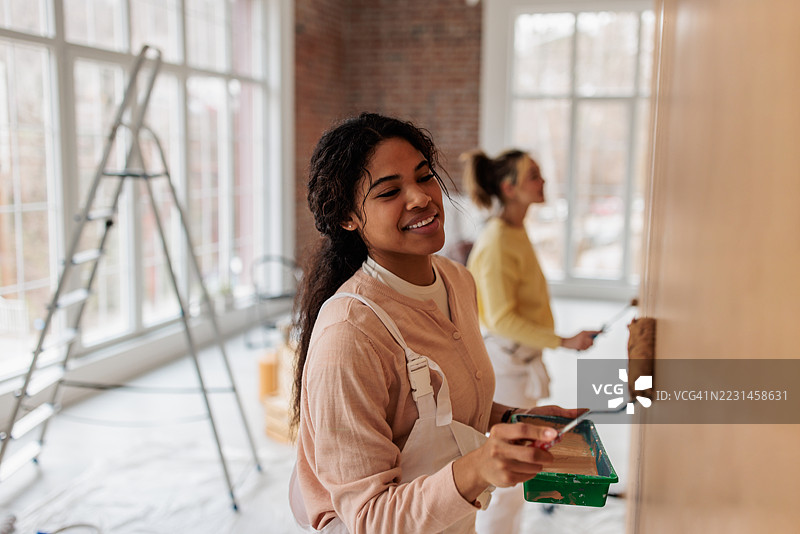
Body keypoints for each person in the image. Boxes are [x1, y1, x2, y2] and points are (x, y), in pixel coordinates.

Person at [289, 113, 583, 534]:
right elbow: (369, 520)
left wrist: (515, 421)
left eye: (425, 177)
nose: (421, 198)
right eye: (389, 191)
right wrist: (477, 468)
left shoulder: (456, 281)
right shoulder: (350, 335)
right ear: (347, 218)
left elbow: (450, 412)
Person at [462, 149, 601, 534]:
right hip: (505, 366)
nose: (542, 182)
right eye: (534, 176)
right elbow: (502, 319)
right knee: (510, 469)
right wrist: (562, 340)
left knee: (523, 463)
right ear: (509, 188)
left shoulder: (514, 231)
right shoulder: (495, 243)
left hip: (521, 362)